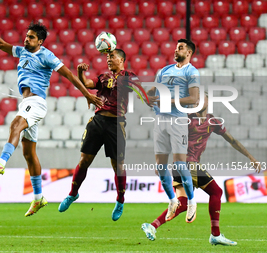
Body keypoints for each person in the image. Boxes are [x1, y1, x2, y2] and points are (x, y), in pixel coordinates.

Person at [0, 22, 102, 217]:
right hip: (26, 102)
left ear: (40, 41)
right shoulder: (22, 51)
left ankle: (1, 161)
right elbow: (1, 45)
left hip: (36, 102)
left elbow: (68, 75)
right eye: (27, 36)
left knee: (15, 124)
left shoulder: (47, 56)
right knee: (29, 153)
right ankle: (38, 197)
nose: (27, 39)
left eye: (31, 37)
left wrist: (86, 94)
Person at [141, 92, 261, 245]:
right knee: (216, 192)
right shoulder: (187, 120)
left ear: (208, 101)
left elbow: (233, 140)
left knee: (183, 203)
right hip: (186, 164)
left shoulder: (213, 121)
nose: (197, 101)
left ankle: (152, 226)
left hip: (184, 166)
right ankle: (215, 235)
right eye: (195, 99)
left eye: (200, 98)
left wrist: (251, 157)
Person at [58, 49, 144, 221]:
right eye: (107, 57)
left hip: (116, 123)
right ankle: (73, 193)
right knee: (84, 160)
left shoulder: (130, 76)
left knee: (118, 164)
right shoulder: (103, 77)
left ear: (121, 59)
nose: (108, 59)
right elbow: (88, 84)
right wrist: (80, 73)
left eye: (112, 56)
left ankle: (120, 200)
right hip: (98, 121)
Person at [146, 39, 200, 223]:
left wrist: (167, 101)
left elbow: (193, 98)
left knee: (179, 164)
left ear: (189, 53)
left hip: (178, 120)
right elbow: (153, 90)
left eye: (181, 47)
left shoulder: (191, 71)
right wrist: (148, 96)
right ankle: (172, 201)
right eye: (176, 47)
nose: (176, 50)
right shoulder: (164, 70)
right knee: (160, 168)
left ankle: (192, 201)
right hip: (160, 120)